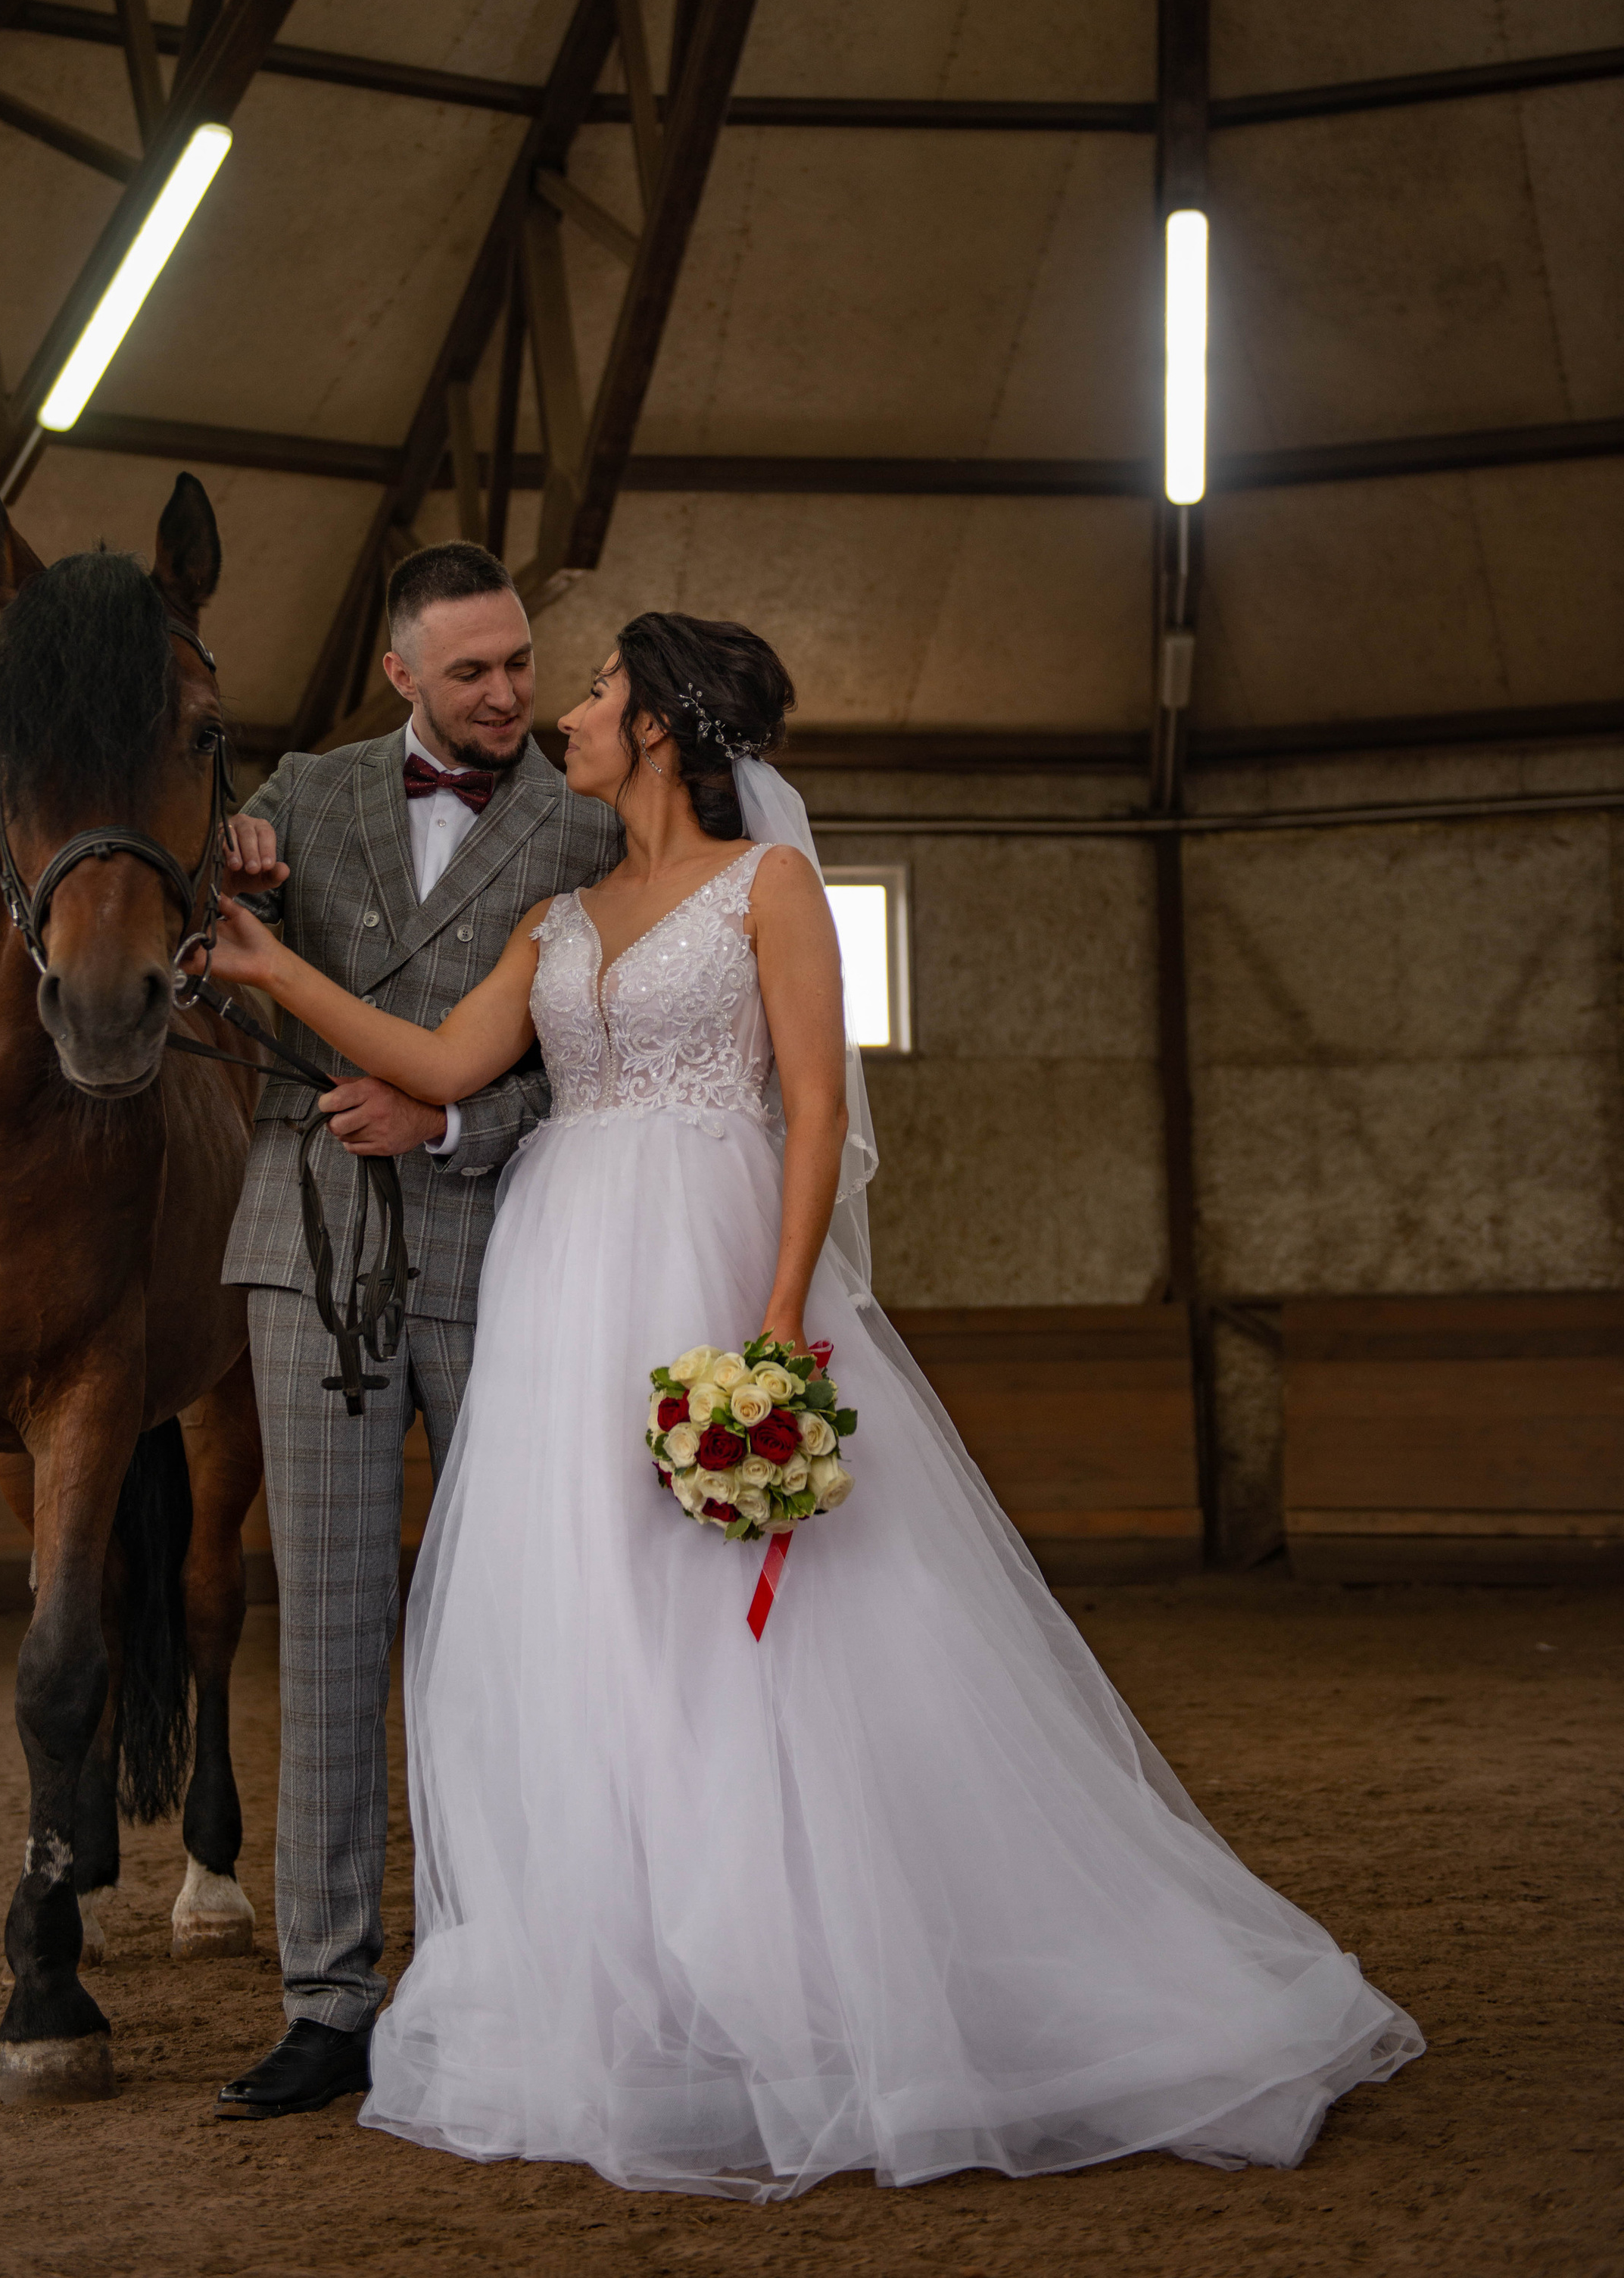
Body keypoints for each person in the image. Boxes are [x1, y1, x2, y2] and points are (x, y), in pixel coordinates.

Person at [203, 610, 1423, 2196]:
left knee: (747, 1635)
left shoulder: (770, 890)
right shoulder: (559, 914)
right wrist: (271, 963)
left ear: (652, 728)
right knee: (587, 1620)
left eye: (590, 687)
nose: (562, 706)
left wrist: (775, 1320)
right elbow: (437, 1065)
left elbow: (816, 1104)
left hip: (707, 1271)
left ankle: (790, 1971)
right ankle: (630, 1976)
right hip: (560, 1282)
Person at [210, 544, 620, 2122]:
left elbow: (599, 1052)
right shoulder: (295, 799)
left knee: (505, 1633)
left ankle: (498, 1966)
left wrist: (446, 1121)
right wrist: (215, 864)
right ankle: (327, 1998)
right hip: (302, 1247)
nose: (508, 692)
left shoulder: (589, 821)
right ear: (399, 674)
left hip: (505, 1247)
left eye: (521, 661)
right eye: (471, 672)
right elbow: (189, 971)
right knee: (323, 1632)